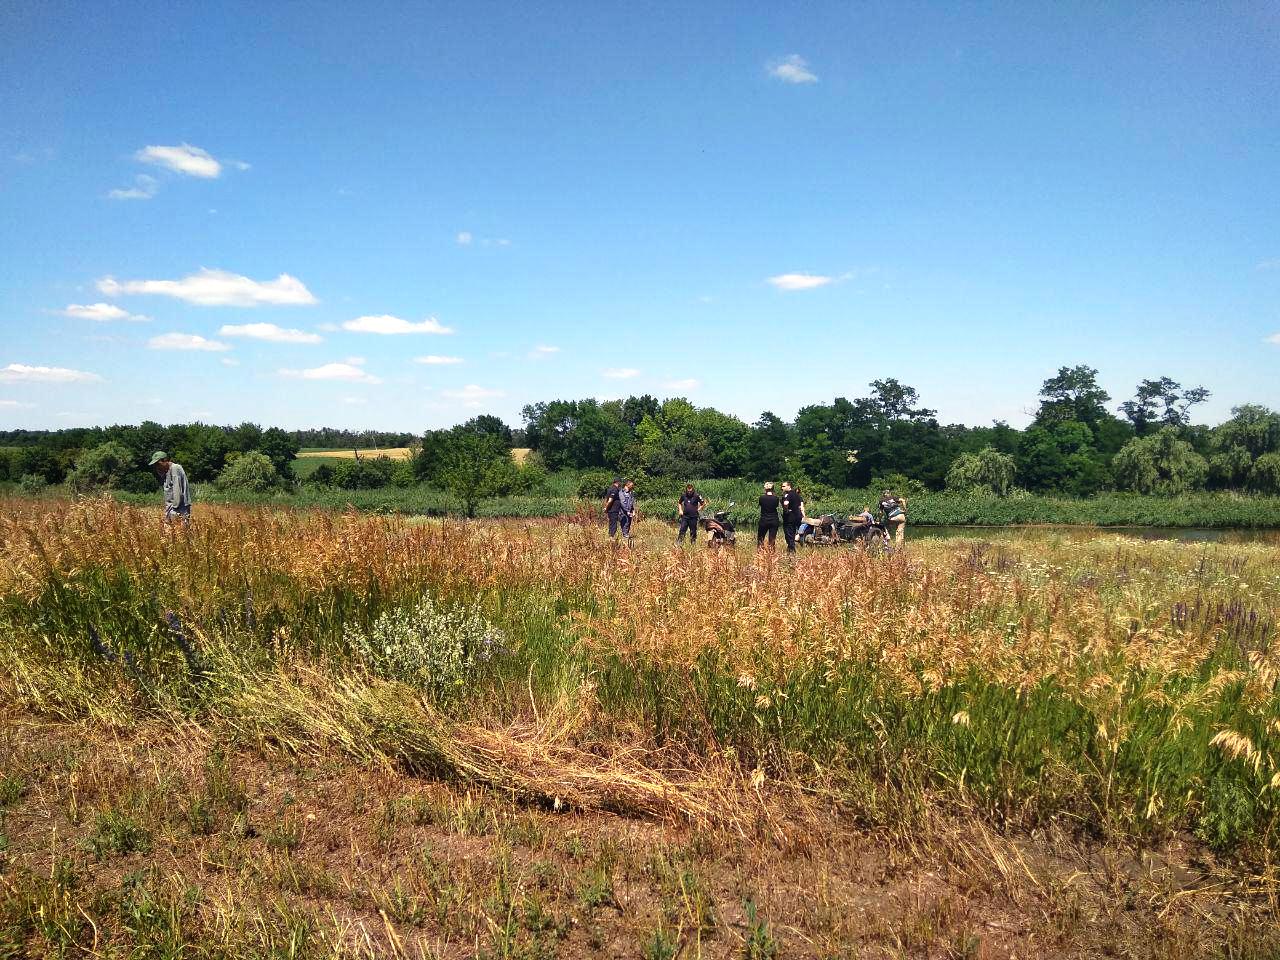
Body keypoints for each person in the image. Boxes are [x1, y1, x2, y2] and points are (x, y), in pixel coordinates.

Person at [149, 451, 191, 524]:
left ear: (165, 460)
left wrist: (175, 509)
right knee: (170, 533)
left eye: (158, 464)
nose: (156, 467)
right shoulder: (166, 471)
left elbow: (177, 489)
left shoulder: (175, 468)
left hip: (179, 508)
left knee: (181, 533)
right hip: (170, 508)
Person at [780, 481, 804, 554]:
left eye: (784, 486)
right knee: (793, 533)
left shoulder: (787, 495)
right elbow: (800, 506)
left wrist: (786, 510)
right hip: (796, 516)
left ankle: (792, 550)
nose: (782, 488)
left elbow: (785, 503)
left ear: (789, 486)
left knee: (788, 533)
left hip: (789, 517)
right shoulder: (797, 495)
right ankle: (790, 549)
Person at [757, 481, 780, 547]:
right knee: (772, 539)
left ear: (765, 489)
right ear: (773, 489)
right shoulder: (776, 498)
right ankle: (771, 554)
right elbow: (776, 506)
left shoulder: (762, 498)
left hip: (764, 520)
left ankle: (760, 553)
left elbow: (761, 505)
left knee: (760, 538)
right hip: (774, 520)